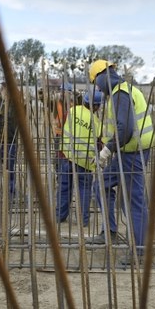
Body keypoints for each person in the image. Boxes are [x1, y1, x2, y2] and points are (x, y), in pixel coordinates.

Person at [86, 59, 155, 266]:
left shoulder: (121, 94)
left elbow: (124, 130)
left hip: (133, 154)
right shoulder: (123, 91)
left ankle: (141, 251)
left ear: (103, 76)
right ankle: (111, 231)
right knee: (101, 184)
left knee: (133, 201)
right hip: (129, 153)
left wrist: (107, 150)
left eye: (97, 83)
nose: (97, 88)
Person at [55, 89, 104, 226]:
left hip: (67, 156)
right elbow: (100, 144)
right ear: (96, 106)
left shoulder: (72, 111)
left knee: (64, 187)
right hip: (85, 163)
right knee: (84, 190)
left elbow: (61, 127)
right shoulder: (97, 123)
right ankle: (83, 220)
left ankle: (60, 216)